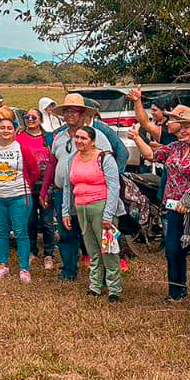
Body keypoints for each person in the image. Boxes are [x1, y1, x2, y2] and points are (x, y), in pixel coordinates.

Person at [134, 106, 190, 306]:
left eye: (187, 127)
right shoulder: (177, 147)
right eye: (181, 127)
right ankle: (176, 292)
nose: (182, 131)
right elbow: (152, 156)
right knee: (173, 250)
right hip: (173, 208)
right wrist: (136, 138)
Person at [43, 94, 115, 281]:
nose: (70, 115)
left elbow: (110, 161)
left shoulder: (96, 136)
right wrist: (45, 188)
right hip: (63, 192)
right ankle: (68, 270)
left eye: (74, 111)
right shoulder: (59, 136)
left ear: (83, 114)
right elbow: (52, 163)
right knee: (66, 232)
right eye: (67, 111)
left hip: (90, 192)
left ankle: (104, 273)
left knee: (95, 232)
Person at [61, 126, 124, 300]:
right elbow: (68, 186)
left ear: (93, 141)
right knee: (92, 249)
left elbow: (114, 186)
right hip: (81, 207)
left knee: (108, 249)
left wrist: (108, 214)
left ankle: (114, 289)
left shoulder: (104, 158)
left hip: (101, 206)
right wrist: (66, 211)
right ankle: (95, 285)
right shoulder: (72, 159)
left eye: (84, 138)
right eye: (77, 137)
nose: (79, 141)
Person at [0, 117, 41, 283]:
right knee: (1, 232)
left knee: (21, 231)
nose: (6, 131)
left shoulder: (22, 148)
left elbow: (34, 170)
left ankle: (24, 268)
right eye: (2, 127)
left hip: (19, 196)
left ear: (14, 130)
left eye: (9, 128)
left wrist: (24, 184)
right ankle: (3, 265)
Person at [19, 108, 56, 271]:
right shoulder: (19, 137)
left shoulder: (49, 137)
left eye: (34, 117)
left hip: (46, 185)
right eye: (27, 116)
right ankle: (32, 250)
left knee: (47, 222)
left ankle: (49, 253)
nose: (30, 119)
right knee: (30, 220)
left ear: (41, 119)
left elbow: (54, 160)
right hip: (27, 185)